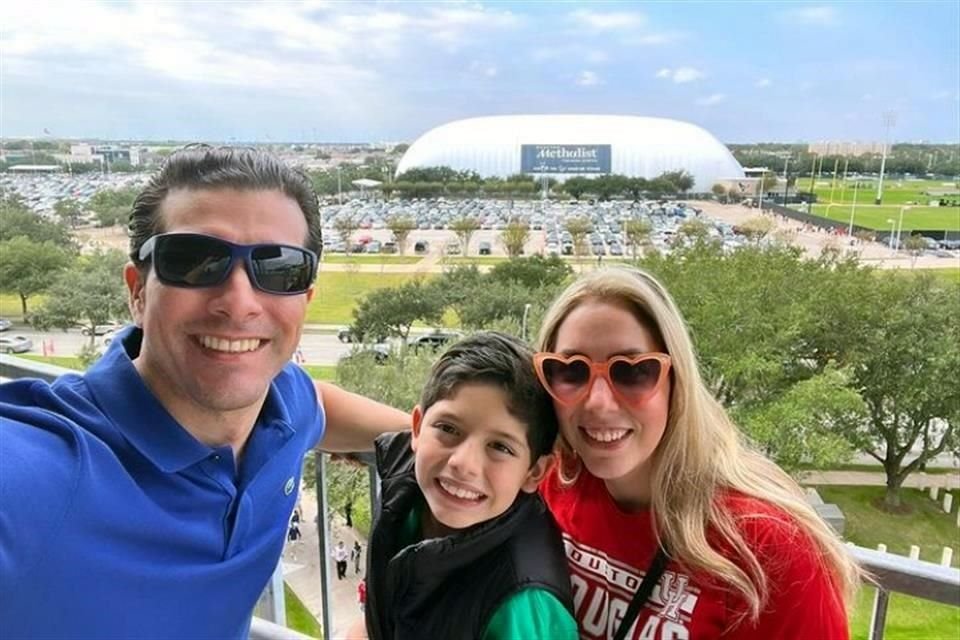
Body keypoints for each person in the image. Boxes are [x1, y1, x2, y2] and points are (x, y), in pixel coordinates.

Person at [0, 146, 409, 639]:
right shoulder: (41, 472)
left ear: (305, 300)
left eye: (278, 268)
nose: (238, 303)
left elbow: (318, 402)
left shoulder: (280, 409)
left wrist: (445, 445)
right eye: (195, 261)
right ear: (137, 290)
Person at [534, 267, 862, 640]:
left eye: (633, 372)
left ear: (677, 381)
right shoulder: (546, 482)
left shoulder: (769, 550)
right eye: (570, 371)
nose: (598, 402)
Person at [365, 332, 576, 640]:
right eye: (448, 428)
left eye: (500, 447)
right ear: (417, 428)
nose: (463, 463)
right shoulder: (404, 485)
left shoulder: (521, 603)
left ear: (535, 472)